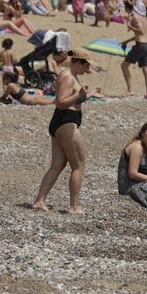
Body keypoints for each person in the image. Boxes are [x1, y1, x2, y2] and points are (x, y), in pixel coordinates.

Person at [32, 48, 93, 214]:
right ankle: (74, 206)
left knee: (57, 165)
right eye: (86, 65)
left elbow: (70, 99)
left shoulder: (72, 76)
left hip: (61, 122)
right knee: (78, 165)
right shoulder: (67, 76)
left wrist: (84, 95)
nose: (88, 69)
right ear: (78, 63)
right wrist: (79, 94)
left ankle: (40, 201)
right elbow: (60, 102)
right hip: (66, 122)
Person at [120, 0, 147, 97]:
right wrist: (127, 41)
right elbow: (141, 34)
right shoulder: (145, 18)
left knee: (124, 65)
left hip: (140, 46)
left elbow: (140, 31)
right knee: (146, 70)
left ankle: (130, 90)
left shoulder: (135, 17)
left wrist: (130, 26)